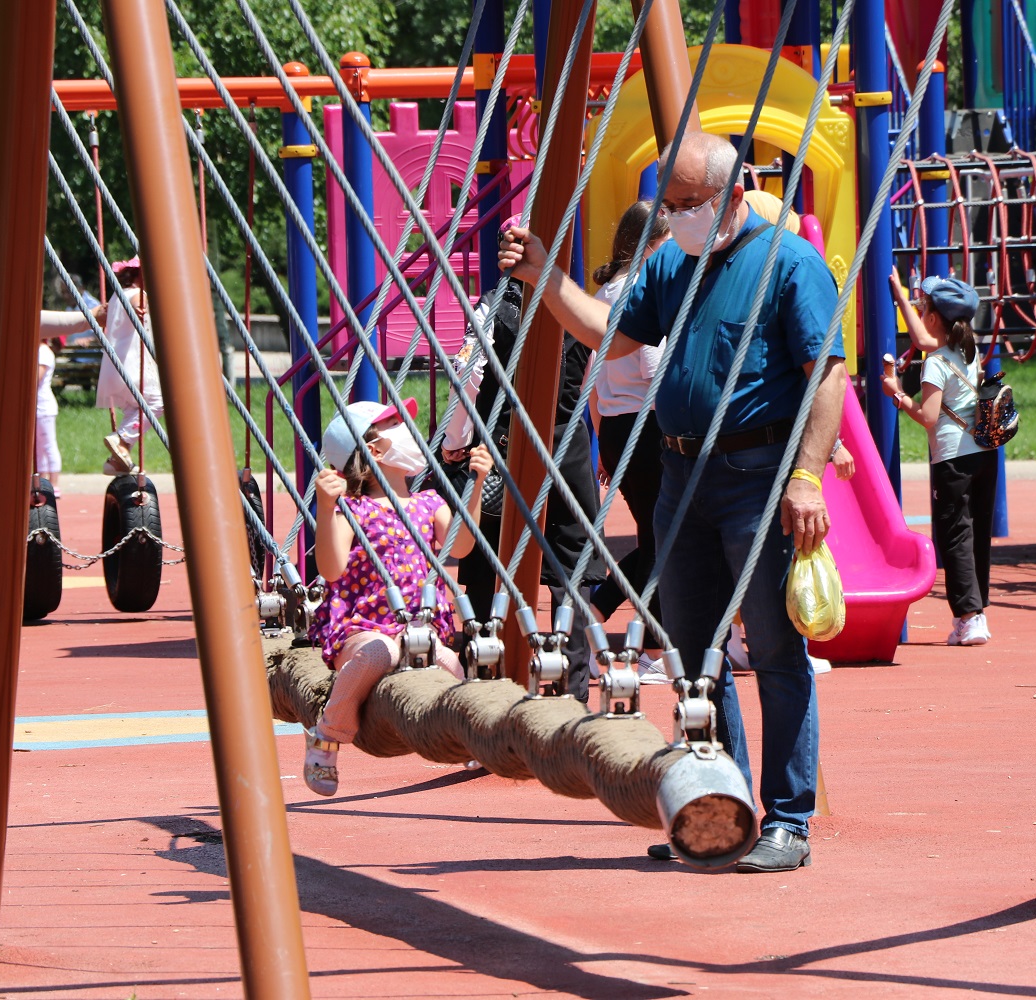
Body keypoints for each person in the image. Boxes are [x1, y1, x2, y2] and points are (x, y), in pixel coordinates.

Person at [498, 132, 847, 873]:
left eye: (695, 203)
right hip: (680, 476)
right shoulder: (670, 263)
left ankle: (789, 818)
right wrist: (545, 277)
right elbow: (608, 336)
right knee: (693, 660)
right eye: (675, 203)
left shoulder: (788, 261)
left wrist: (807, 476)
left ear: (734, 191)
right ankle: (717, 808)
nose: (682, 214)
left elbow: (827, 375)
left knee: (776, 652)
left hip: (759, 474)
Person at [303, 399, 492, 796]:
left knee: (451, 665)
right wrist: (324, 508)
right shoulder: (354, 510)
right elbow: (332, 569)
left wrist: (476, 486)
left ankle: (471, 738)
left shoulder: (428, 503)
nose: (410, 430)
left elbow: (459, 547)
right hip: (364, 627)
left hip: (419, 630)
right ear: (373, 450)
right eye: (395, 424)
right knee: (379, 654)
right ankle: (326, 735)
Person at [438, 263, 605, 701]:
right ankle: (574, 689)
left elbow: (469, 376)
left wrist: (453, 439)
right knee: (571, 570)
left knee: (484, 562)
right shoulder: (575, 305)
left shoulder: (493, 308)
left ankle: (485, 679)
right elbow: (588, 381)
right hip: (566, 448)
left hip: (505, 449)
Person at [882, 272, 995, 646]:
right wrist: (901, 297)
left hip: (952, 458)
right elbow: (923, 339)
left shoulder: (935, 363)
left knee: (955, 535)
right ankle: (977, 613)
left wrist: (898, 395)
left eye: (923, 307)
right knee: (976, 532)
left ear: (934, 318)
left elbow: (928, 416)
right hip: (983, 452)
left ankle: (968, 616)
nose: (920, 311)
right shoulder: (968, 348)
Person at [585, 200, 670, 684]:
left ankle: (600, 607)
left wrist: (601, 441)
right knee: (665, 536)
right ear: (650, 245)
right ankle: (653, 647)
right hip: (648, 423)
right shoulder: (641, 290)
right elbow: (652, 368)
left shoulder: (604, 294)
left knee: (654, 534)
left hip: (617, 425)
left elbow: (594, 381)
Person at [96, 257, 162, 476]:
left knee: (135, 409)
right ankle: (122, 440)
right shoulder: (138, 294)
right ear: (137, 275)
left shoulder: (116, 296)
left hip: (115, 367)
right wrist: (141, 310)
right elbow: (138, 305)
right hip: (134, 366)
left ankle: (117, 459)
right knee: (157, 401)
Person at [35, 340, 62, 496]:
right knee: (38, 446)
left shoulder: (43, 352)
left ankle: (54, 483)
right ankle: (42, 480)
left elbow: (36, 378)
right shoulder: (38, 350)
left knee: (48, 445)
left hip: (44, 407)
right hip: (37, 406)